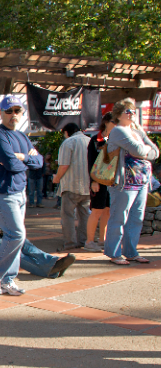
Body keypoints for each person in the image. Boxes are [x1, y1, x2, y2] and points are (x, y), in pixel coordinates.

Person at [0, 95, 43, 295]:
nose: (13, 114)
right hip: (2, 193)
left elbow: (40, 162)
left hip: (19, 192)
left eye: (17, 110)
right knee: (16, 235)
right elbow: (11, 164)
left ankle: (8, 280)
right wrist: (26, 160)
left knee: (16, 236)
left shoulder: (22, 137)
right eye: (9, 111)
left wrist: (21, 157)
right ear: (0, 113)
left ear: (22, 113)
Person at [104, 99, 159, 265]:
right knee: (119, 217)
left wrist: (144, 148)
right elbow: (139, 149)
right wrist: (145, 151)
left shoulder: (137, 131)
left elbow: (155, 151)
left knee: (136, 218)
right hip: (124, 183)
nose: (132, 114)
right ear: (118, 115)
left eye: (133, 111)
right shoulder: (118, 131)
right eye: (127, 111)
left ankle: (131, 252)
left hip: (142, 182)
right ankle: (114, 253)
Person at [0, 209, 76, 278]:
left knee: (25, 245)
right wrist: (2, 222)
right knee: (10, 250)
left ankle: (51, 261)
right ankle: (49, 270)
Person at [52, 123, 91, 250]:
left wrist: (57, 178)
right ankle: (84, 241)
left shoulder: (68, 142)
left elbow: (64, 165)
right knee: (85, 215)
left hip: (70, 185)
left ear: (66, 132)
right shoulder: (90, 141)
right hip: (88, 185)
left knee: (68, 216)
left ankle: (70, 243)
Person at [84, 112, 115, 252]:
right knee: (97, 210)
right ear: (106, 122)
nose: (116, 125)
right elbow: (91, 162)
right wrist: (93, 181)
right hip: (98, 180)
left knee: (107, 210)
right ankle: (89, 241)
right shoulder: (95, 140)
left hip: (112, 181)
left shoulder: (116, 139)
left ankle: (102, 239)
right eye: (114, 122)